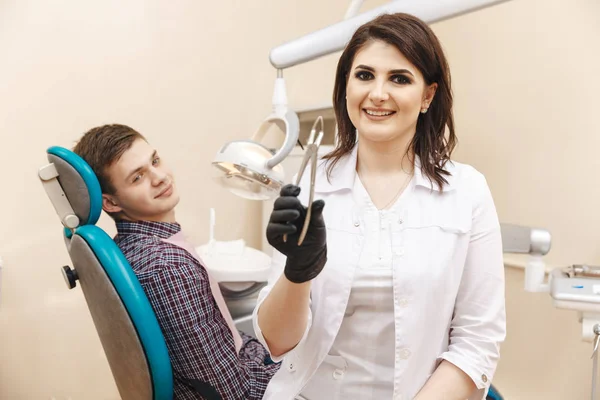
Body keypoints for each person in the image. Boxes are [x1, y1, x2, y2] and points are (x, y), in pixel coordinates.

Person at [254, 12, 506, 400]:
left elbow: (478, 340)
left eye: (399, 78)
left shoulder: (467, 191)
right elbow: (275, 343)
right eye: (365, 75)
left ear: (428, 96)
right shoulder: (309, 181)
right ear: (346, 87)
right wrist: (296, 273)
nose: (377, 93)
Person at [73, 124, 279, 400]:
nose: (160, 177)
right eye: (138, 178)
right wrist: (288, 367)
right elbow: (233, 394)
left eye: (155, 161)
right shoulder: (168, 267)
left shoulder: (132, 246)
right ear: (110, 203)